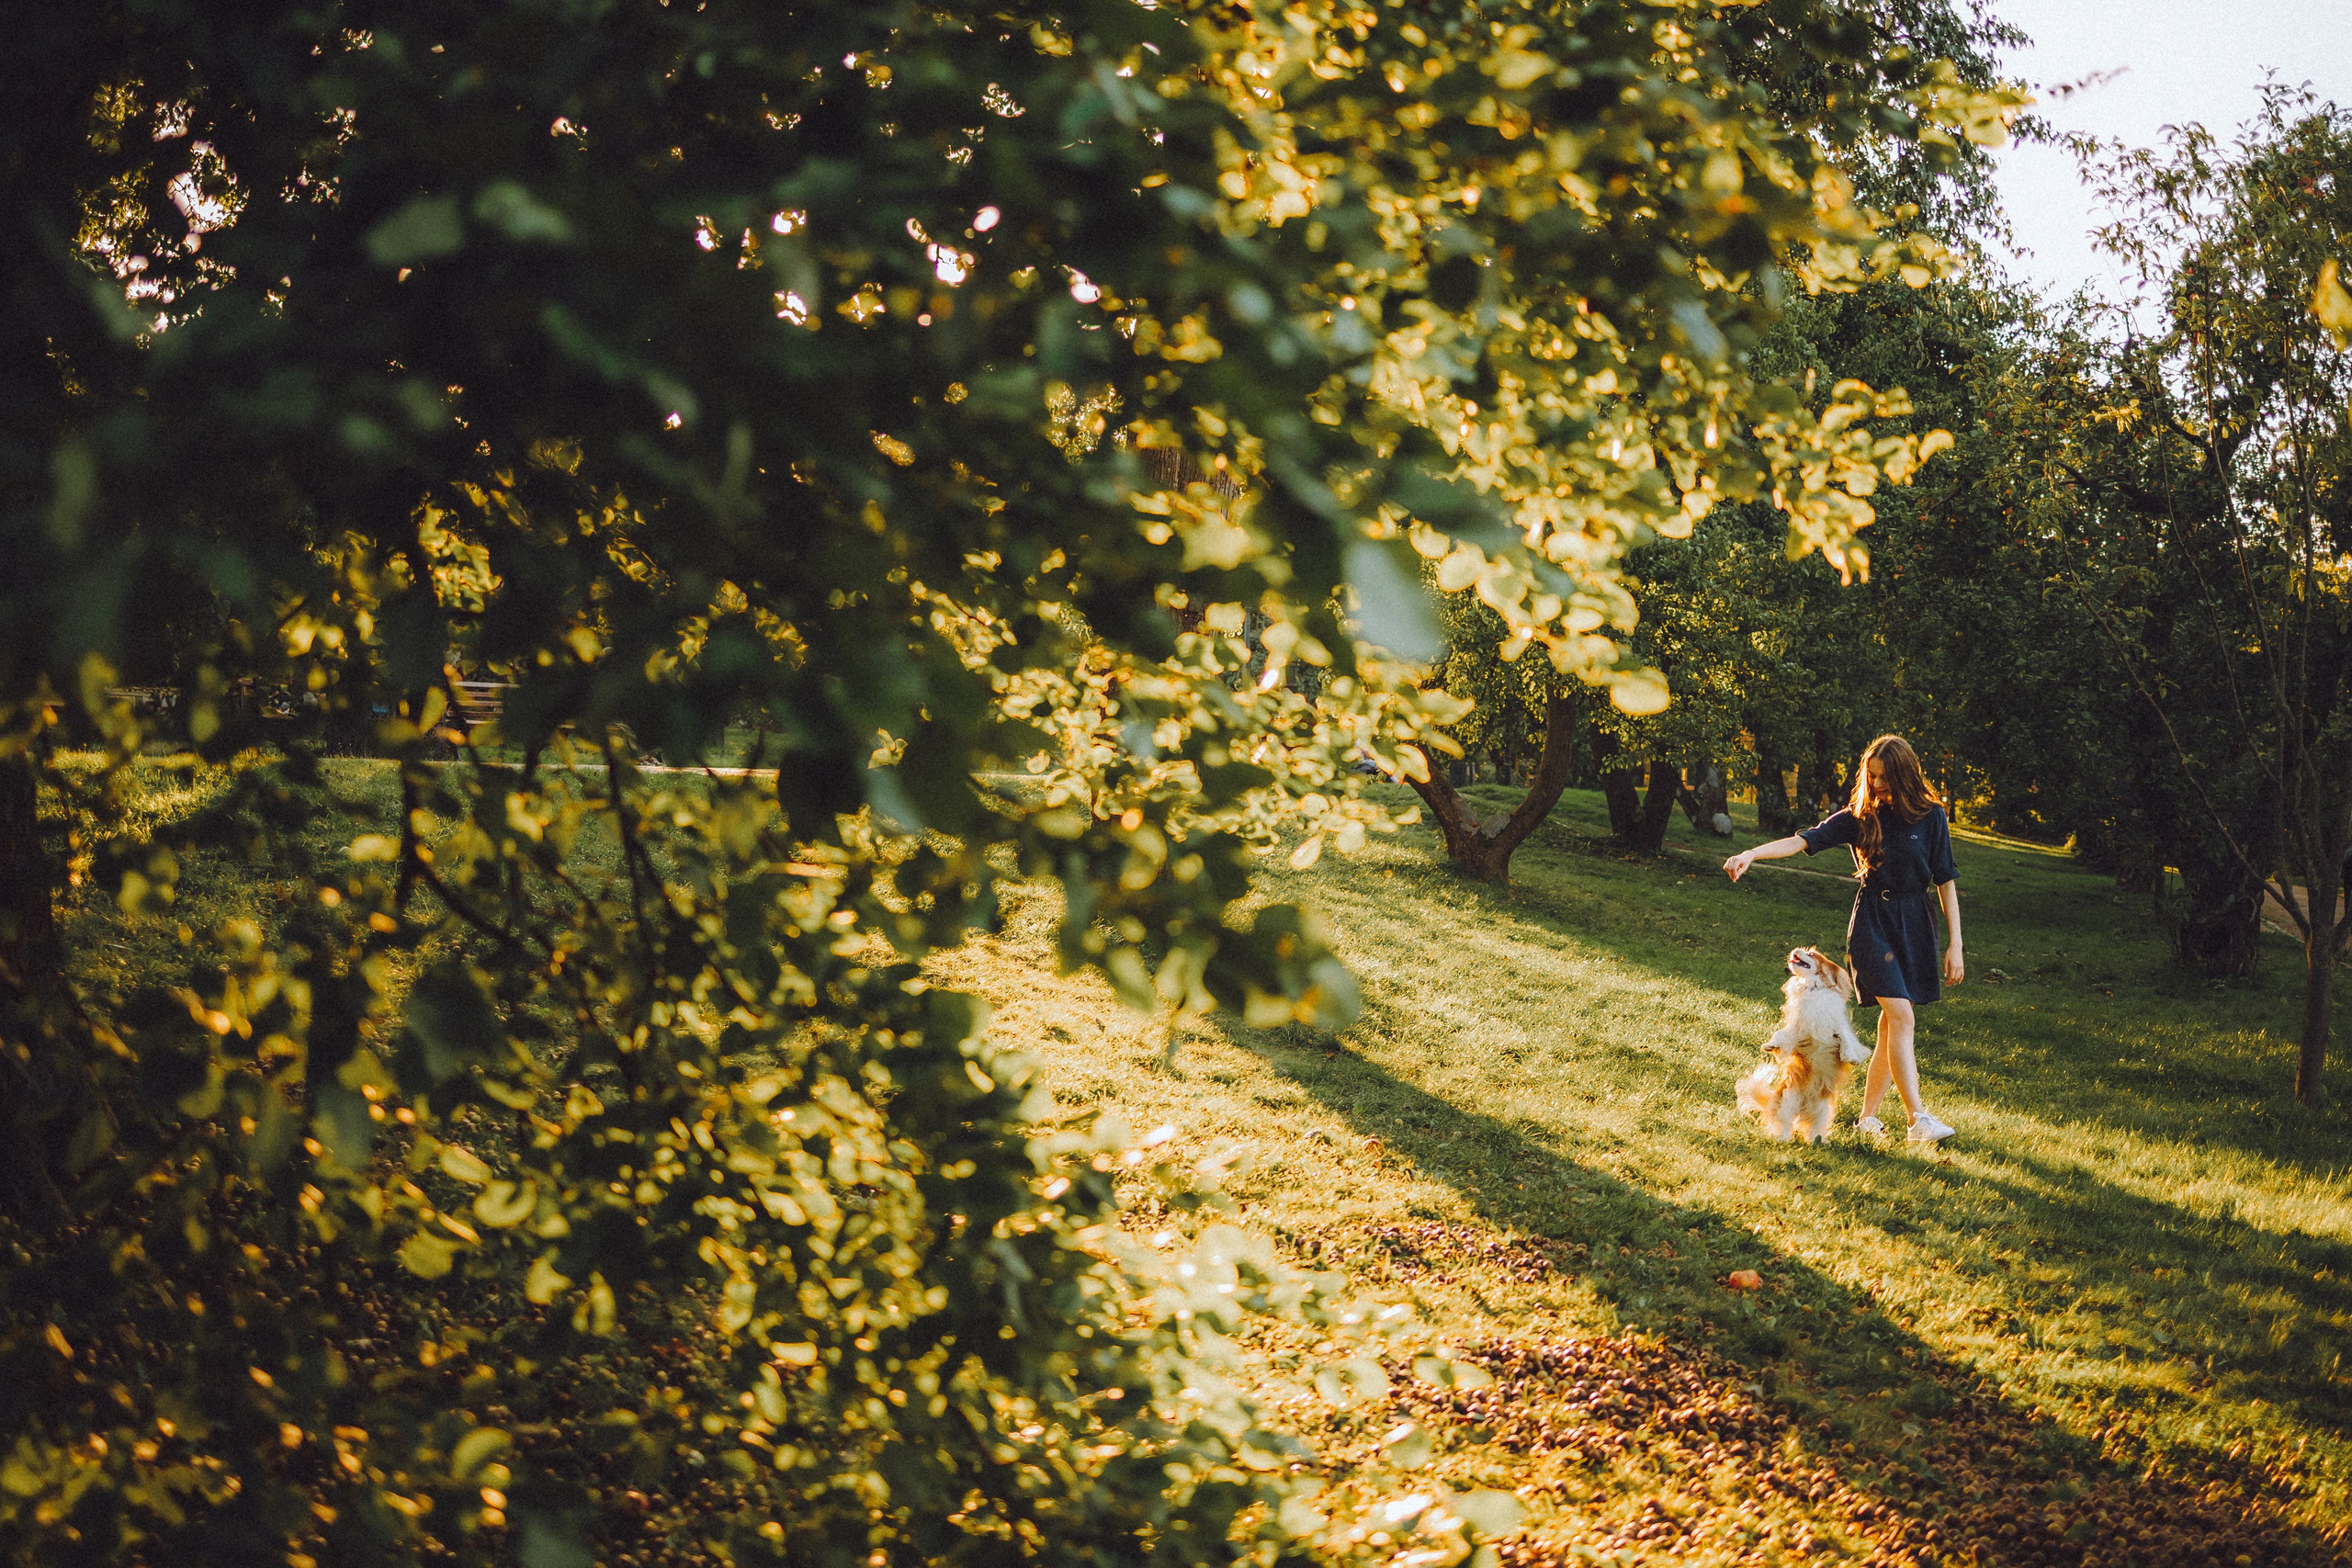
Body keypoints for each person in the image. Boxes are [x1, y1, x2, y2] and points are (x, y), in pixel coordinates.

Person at [1723, 735, 1963, 1144]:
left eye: (1886, 777)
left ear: (1905, 775)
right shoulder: (1859, 817)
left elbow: (1946, 881)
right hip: (1873, 923)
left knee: (1892, 1024)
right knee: (1903, 1017)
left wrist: (1956, 944)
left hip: (1916, 923)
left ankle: (1868, 1117)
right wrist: (1752, 853)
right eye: (1872, 776)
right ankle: (1917, 1118)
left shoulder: (1932, 816)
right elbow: (1803, 840)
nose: (1879, 784)